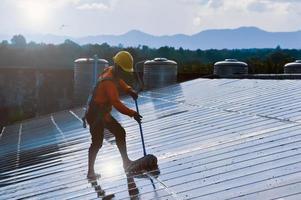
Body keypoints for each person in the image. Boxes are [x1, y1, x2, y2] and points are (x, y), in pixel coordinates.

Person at [85, 51, 142, 180]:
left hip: (102, 113)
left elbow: (120, 81)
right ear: (117, 66)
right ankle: (90, 172)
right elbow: (116, 102)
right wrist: (132, 113)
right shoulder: (108, 82)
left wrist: (129, 89)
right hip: (95, 116)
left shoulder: (112, 71)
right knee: (97, 143)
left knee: (120, 133)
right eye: (123, 69)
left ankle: (126, 162)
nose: (123, 72)